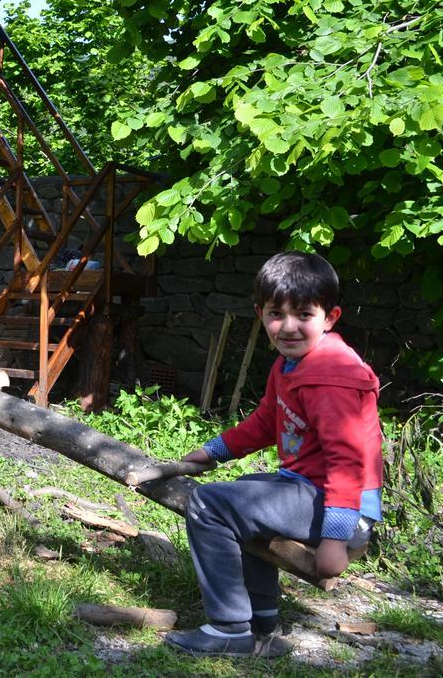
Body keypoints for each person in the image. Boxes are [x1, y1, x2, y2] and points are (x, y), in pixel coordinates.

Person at [164, 251, 383, 657]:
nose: (289, 326)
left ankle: (230, 629)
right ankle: (262, 620)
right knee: (243, 494)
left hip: (343, 508)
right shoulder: (291, 365)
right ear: (260, 314)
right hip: (309, 488)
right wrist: (212, 453)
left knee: (210, 504)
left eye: (304, 314)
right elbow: (267, 422)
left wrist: (336, 538)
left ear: (330, 317)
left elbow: (347, 459)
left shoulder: (330, 377)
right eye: (276, 314)